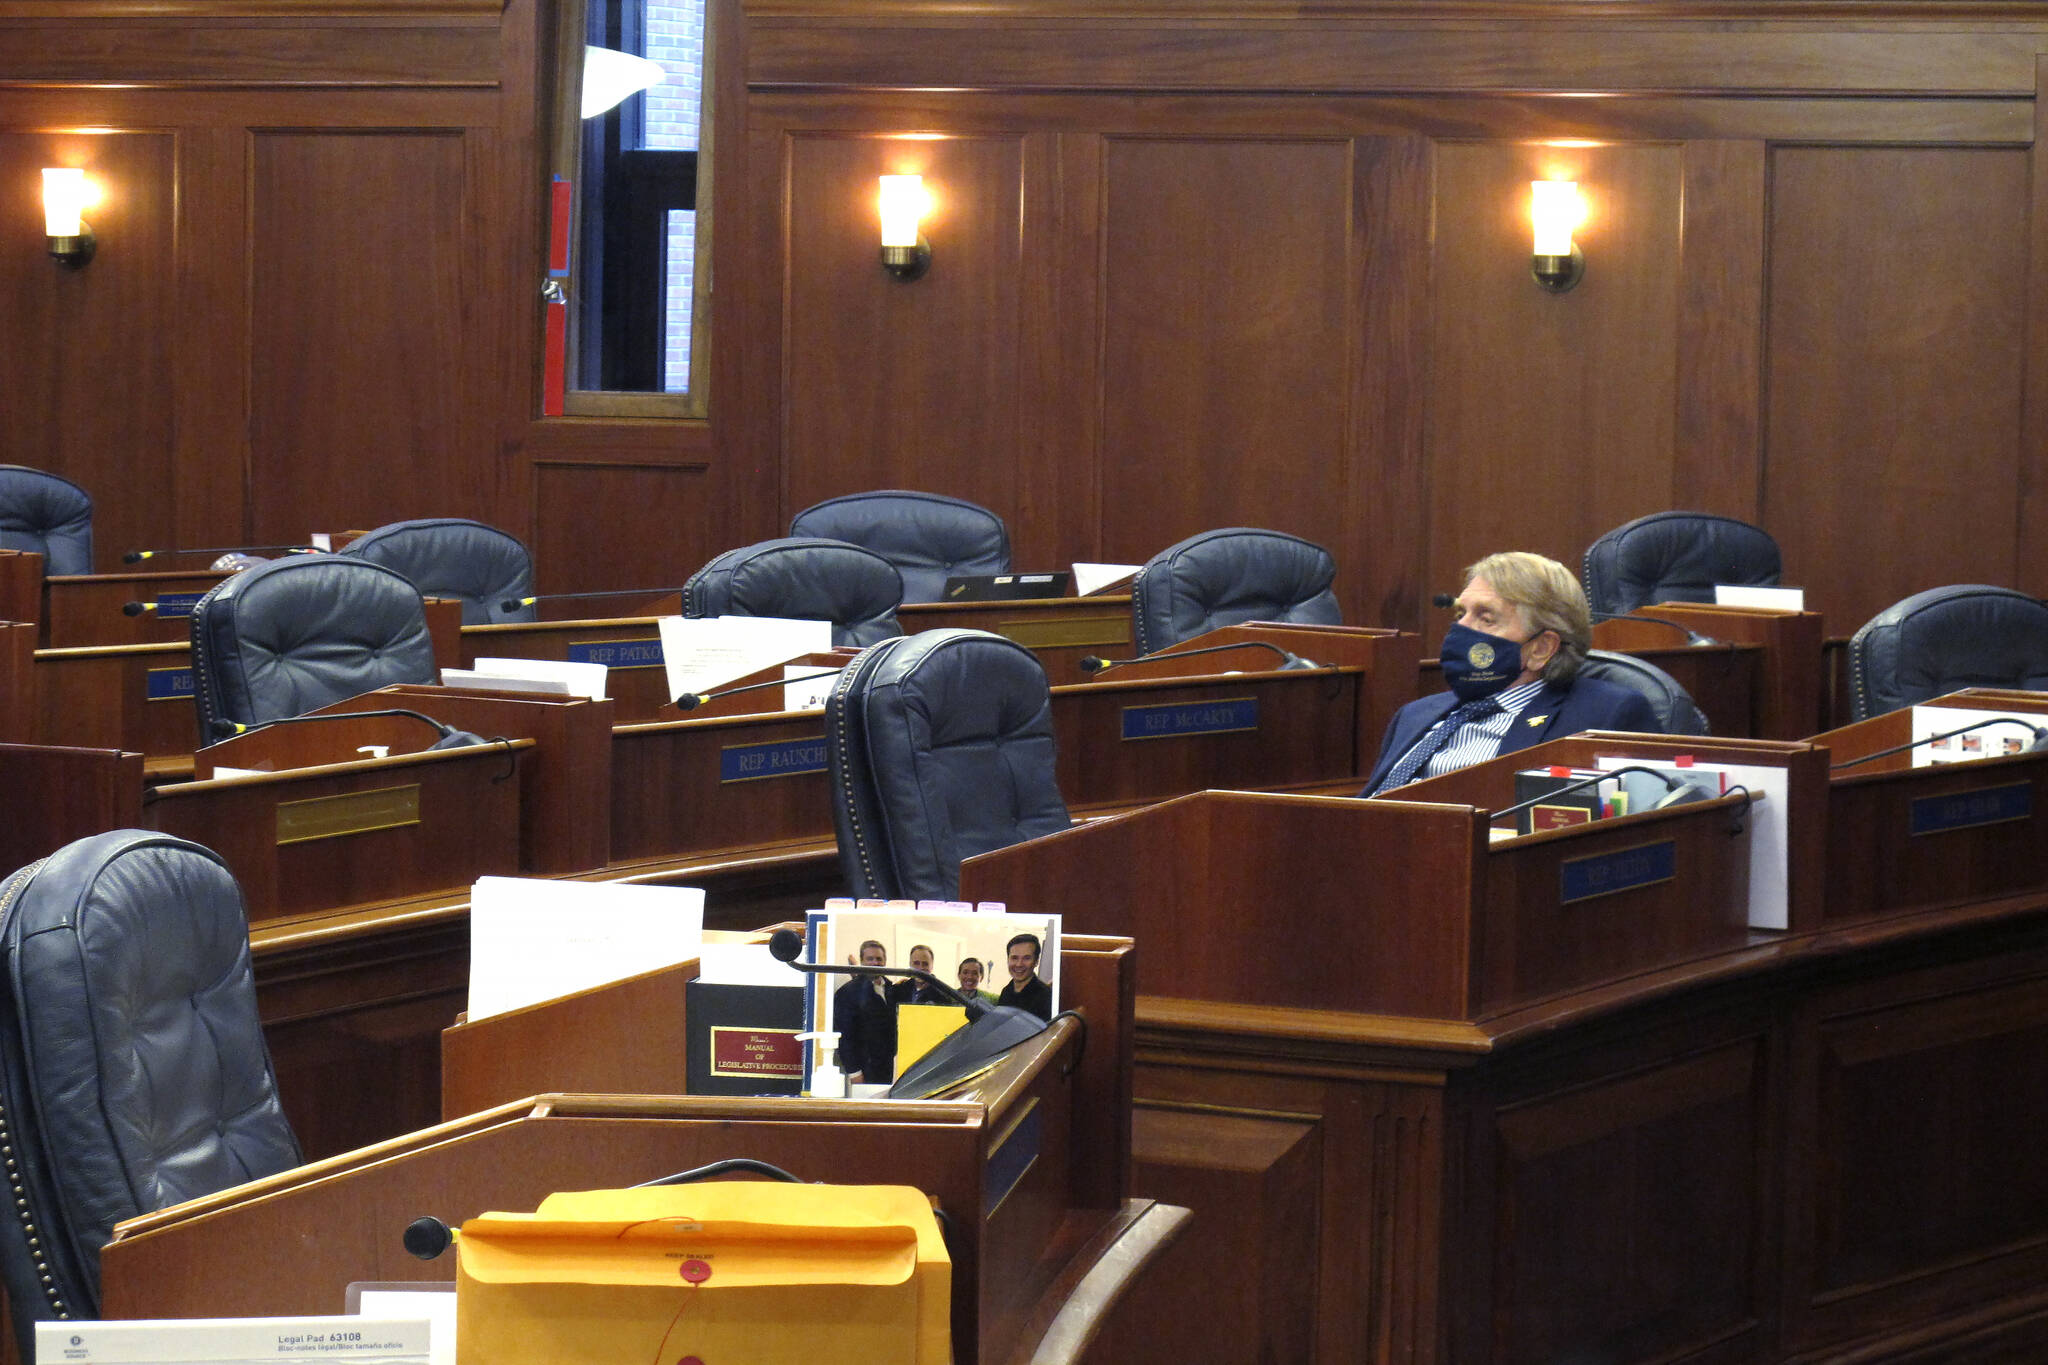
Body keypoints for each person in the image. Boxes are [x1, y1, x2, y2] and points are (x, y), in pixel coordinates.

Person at [1360, 551, 1658, 797]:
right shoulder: (1415, 714)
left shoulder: (1602, 716)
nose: (1461, 629)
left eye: (1486, 618)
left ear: (1541, 648)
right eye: (1460, 614)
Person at [831, 939, 898, 1083]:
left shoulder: (893, 989)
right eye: (870, 959)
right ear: (862, 961)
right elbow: (845, 1037)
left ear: (885, 961)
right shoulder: (847, 992)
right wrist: (854, 1072)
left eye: (879, 959)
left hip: (888, 1068)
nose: (875, 963)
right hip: (863, 1070)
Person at [996, 933, 1053, 1020]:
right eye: (1014, 958)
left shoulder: (1046, 997)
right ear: (1008, 960)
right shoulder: (1006, 992)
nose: (1019, 964)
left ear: (1036, 961)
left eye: (1026, 958)